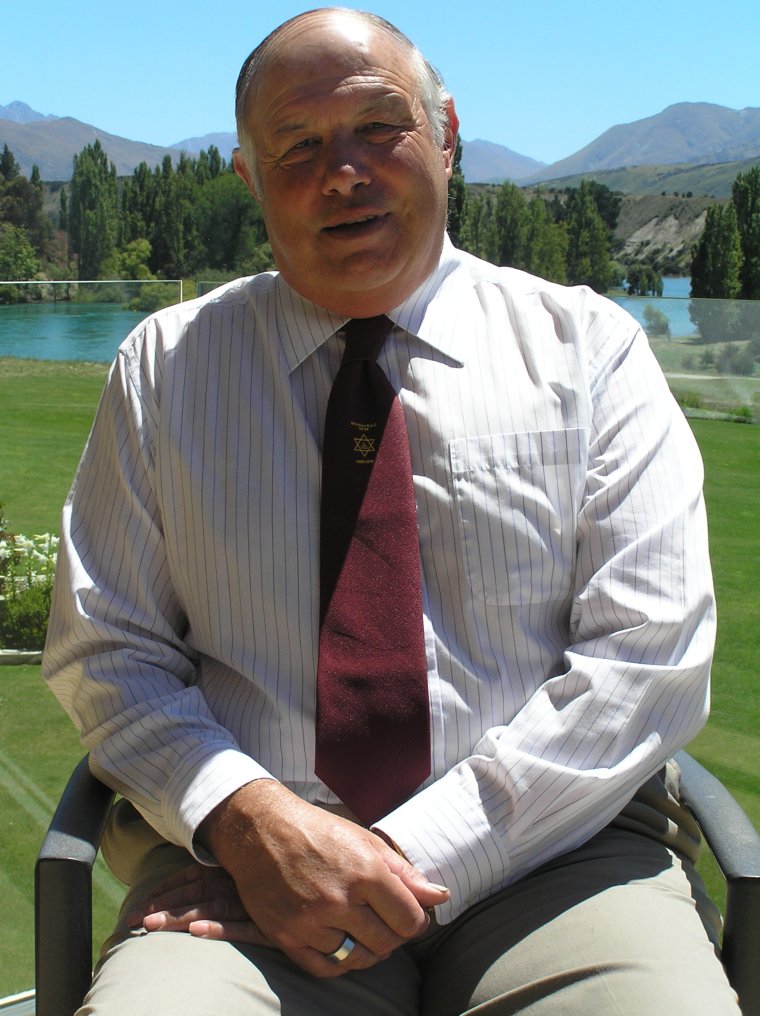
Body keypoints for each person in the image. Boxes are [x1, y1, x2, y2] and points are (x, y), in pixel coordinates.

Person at [42, 7, 739, 1014]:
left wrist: (392, 853)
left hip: (558, 854)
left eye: (380, 126)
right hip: (254, 872)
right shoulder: (165, 369)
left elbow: (648, 657)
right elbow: (105, 650)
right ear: (247, 177)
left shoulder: (589, 350)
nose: (343, 171)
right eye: (297, 143)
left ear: (447, 135)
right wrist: (246, 820)